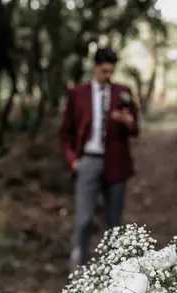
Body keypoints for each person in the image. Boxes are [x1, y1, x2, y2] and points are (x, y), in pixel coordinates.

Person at [60, 48, 140, 271]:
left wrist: (128, 121)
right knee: (84, 220)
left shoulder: (124, 92)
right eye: (104, 70)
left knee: (114, 223)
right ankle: (79, 276)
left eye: (111, 71)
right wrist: (73, 160)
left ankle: (113, 275)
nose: (108, 75)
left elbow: (136, 128)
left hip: (117, 162)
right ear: (95, 67)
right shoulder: (78, 94)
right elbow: (65, 132)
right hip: (88, 161)